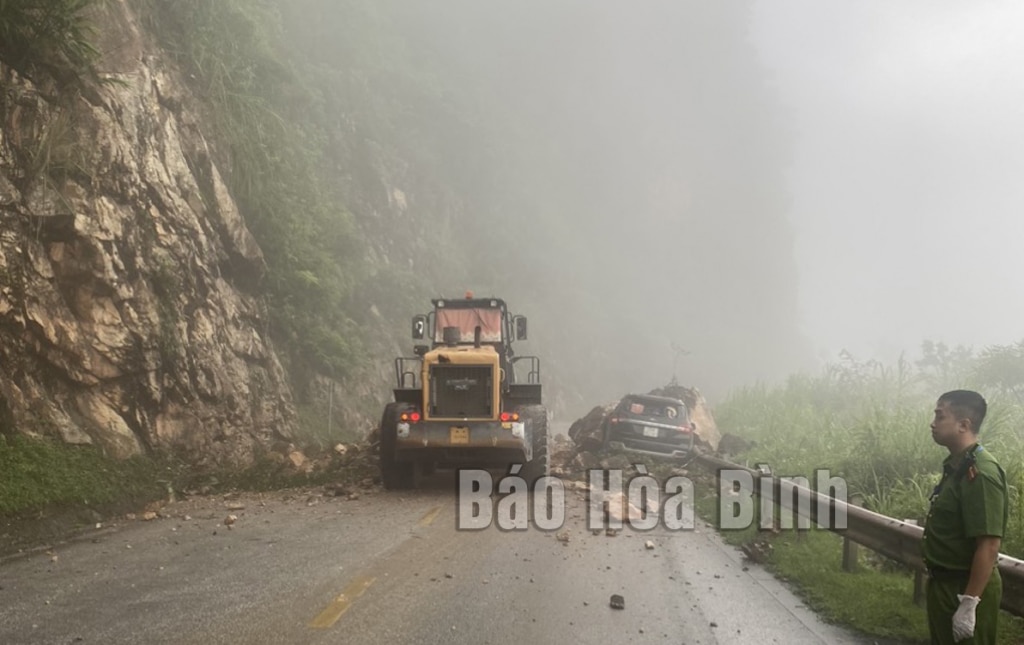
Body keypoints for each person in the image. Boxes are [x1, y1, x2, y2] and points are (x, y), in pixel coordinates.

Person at [922, 390, 1008, 644]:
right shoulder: (957, 465)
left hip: (966, 588)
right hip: (944, 584)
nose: (933, 423)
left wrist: (969, 604)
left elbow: (989, 544)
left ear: (963, 425)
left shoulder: (980, 472)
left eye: (940, 416)